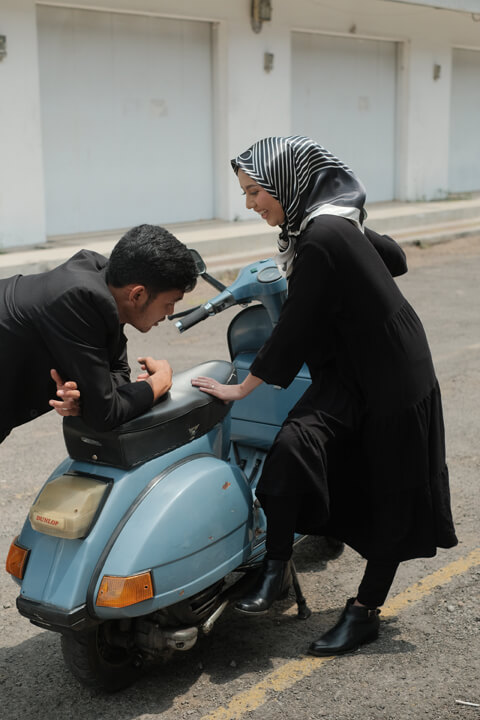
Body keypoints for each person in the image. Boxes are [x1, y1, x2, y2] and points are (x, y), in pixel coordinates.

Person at [192, 136, 457, 656]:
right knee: (294, 445)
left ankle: (364, 611)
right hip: (347, 370)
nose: (250, 204)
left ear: (288, 184)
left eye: (255, 191)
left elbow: (296, 326)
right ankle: (274, 568)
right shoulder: (317, 227)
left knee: (393, 489)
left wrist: (240, 388)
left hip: (392, 373)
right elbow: (396, 258)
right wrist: (354, 226)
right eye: (245, 193)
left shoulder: (322, 234)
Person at [0, 224, 197, 444]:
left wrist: (87, 398)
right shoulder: (80, 300)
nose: (170, 312)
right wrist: (159, 382)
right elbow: (105, 414)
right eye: (169, 303)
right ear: (137, 295)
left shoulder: (108, 286)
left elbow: (117, 373)